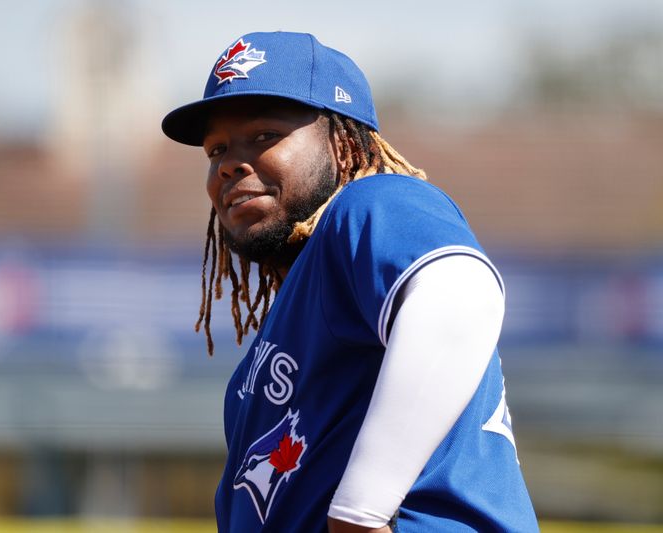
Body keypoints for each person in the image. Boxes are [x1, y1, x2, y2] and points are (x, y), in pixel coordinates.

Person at [161, 31, 538, 533]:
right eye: (216, 149)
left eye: (265, 136)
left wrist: (359, 513)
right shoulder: (284, 330)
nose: (229, 163)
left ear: (343, 145)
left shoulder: (370, 205)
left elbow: (460, 292)